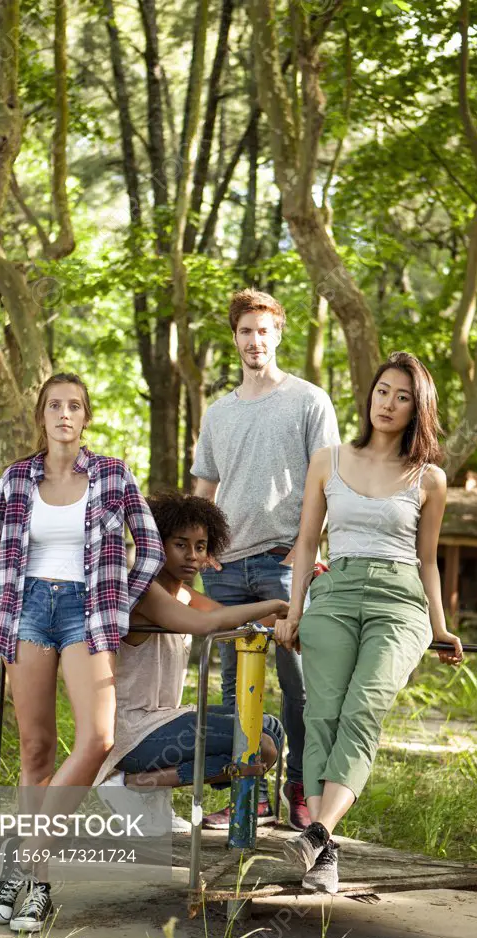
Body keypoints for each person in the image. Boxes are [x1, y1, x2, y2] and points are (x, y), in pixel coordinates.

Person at [0, 372, 165, 933]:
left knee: (97, 739)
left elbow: (148, 549)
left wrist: (116, 603)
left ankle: (23, 857)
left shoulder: (112, 475)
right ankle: (40, 887)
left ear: (85, 418)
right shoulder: (15, 479)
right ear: (42, 416)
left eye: (74, 406)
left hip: (88, 611)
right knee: (35, 748)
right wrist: (14, 591)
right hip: (28, 609)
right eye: (54, 405)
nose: (64, 414)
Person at [274, 351, 463, 895]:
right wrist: (293, 611)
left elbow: (428, 560)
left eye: (403, 397)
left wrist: (440, 624)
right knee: (322, 715)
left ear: (416, 409)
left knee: (363, 707)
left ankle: (315, 833)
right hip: (333, 594)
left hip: (399, 601)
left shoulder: (430, 478)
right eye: (383, 391)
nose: (389, 403)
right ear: (370, 395)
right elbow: (308, 542)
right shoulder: (327, 460)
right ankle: (323, 852)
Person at [192, 288, 339, 831]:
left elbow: (325, 486)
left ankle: (302, 786)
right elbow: (204, 489)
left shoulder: (308, 401)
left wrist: (311, 554)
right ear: (235, 339)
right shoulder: (219, 413)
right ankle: (247, 794)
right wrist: (196, 553)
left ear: (278, 334)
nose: (255, 341)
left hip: (285, 563)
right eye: (245, 332)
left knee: (298, 686)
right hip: (226, 569)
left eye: (264, 330)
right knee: (234, 690)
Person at [94, 492, 286, 826]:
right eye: (181, 545)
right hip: (134, 734)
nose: (192, 556)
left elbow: (230, 618)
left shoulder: (181, 593)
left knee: (270, 727)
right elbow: (206, 623)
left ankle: (143, 791)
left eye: (200, 546)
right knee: (262, 746)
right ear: (155, 542)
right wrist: (274, 605)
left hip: (165, 721)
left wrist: (292, 617)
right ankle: (127, 783)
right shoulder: (142, 590)